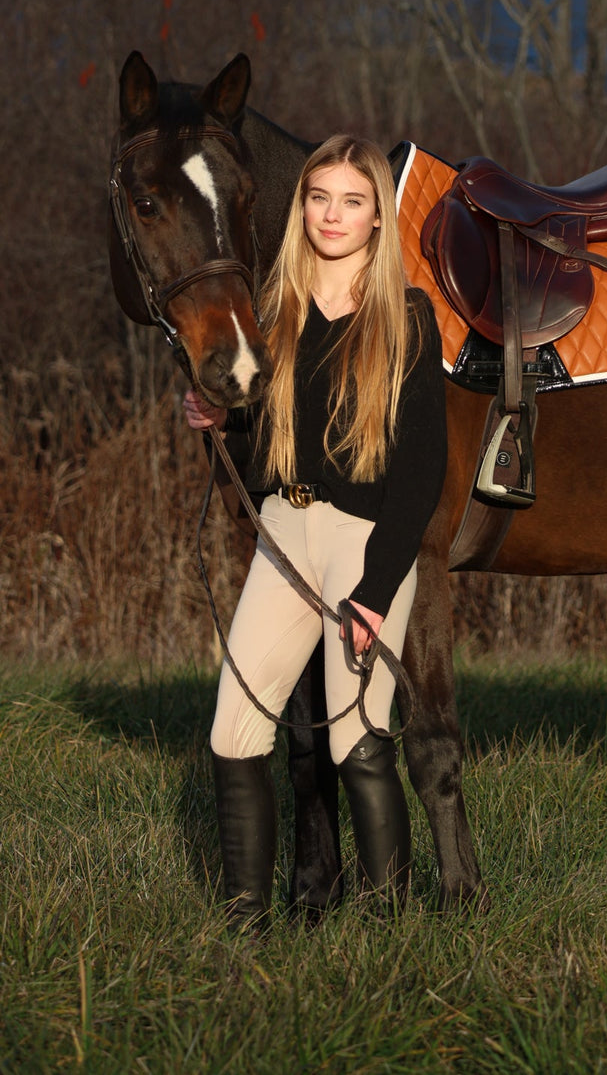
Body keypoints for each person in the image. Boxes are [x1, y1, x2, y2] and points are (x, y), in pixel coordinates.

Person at [184, 135, 447, 931]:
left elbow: (422, 471)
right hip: (282, 532)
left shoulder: (405, 317)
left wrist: (372, 593)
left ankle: (388, 930)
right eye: (319, 197)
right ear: (302, 208)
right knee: (234, 730)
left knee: (356, 741)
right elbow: (261, 463)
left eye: (352, 200)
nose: (332, 215)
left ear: (376, 219)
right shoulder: (276, 309)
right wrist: (219, 424)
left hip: (365, 544)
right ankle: (245, 923)